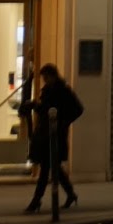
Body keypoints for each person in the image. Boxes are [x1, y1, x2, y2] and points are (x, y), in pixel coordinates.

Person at [22, 64, 83, 213]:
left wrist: (64, 122)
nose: (44, 80)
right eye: (43, 78)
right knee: (54, 167)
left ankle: (36, 201)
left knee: (45, 169)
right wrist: (36, 105)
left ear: (53, 76)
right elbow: (46, 110)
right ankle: (71, 194)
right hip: (45, 134)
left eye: (46, 77)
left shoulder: (63, 91)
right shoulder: (48, 90)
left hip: (55, 135)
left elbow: (78, 109)